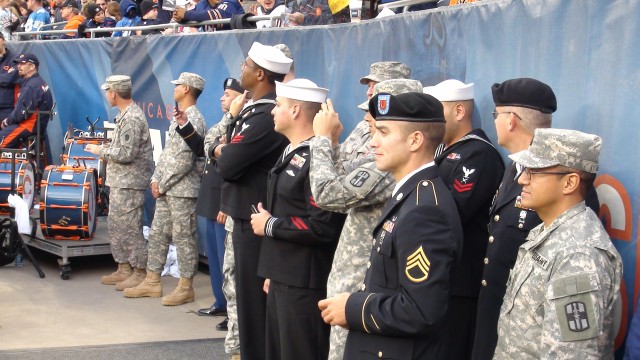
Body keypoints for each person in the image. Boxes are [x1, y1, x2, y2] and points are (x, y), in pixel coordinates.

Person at [319, 92, 463, 359]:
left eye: (383, 132)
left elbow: (421, 310)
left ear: (415, 140)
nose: (373, 142)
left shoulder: (425, 210)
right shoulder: (411, 194)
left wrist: (352, 308)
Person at [311, 78, 422, 360]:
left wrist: (321, 140)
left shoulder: (389, 165)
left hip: (362, 294)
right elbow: (342, 174)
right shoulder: (380, 156)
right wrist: (332, 144)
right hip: (352, 292)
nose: (367, 122)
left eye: (377, 119)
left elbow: (328, 194)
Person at [494, 128, 622, 358]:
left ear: (569, 183)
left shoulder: (579, 255)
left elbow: (571, 354)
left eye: (534, 171)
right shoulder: (548, 230)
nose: (522, 179)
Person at [248, 79, 344, 360]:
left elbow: (321, 225)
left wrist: (270, 226)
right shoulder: (292, 151)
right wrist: (272, 272)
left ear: (295, 111)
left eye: (278, 105)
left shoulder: (317, 157)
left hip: (303, 281)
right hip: (283, 275)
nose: (272, 111)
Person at [212, 41, 291, 360]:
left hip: (254, 219)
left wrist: (221, 148)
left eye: (246, 65)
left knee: (253, 307)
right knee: (247, 305)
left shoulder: (263, 116)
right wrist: (224, 146)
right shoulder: (254, 111)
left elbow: (228, 164)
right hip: (246, 218)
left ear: (260, 74)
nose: (240, 69)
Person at [472, 77, 556, 360]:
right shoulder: (514, 166)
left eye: (496, 115)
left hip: (527, 330)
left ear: (510, 121)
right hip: (497, 315)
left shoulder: (554, 177)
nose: (493, 121)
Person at [422, 79, 504, 359]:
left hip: (460, 284)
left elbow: (452, 212)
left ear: (459, 112)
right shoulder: (441, 152)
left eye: (437, 110)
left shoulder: (477, 153)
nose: (430, 119)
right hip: (439, 278)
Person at [123, 72, 206, 306]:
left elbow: (184, 160)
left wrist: (162, 183)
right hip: (168, 188)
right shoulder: (180, 116)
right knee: (158, 233)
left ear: (187, 89)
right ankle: (152, 281)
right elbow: (168, 153)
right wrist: (156, 178)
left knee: (183, 238)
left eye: (178, 85)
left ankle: (185, 287)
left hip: (182, 190)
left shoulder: (194, 119)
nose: (175, 88)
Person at [175, 78, 245, 332]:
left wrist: (227, 203)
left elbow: (234, 169)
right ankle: (220, 302)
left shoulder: (242, 125)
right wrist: (185, 127)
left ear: (241, 98)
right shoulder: (223, 122)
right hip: (210, 196)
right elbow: (204, 149)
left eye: (228, 94)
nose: (222, 98)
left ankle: (231, 309)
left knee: (228, 261)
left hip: (223, 201)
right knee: (215, 259)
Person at [86, 75, 154, 290]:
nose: (107, 95)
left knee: (130, 228)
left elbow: (126, 153)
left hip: (130, 182)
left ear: (114, 93)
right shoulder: (124, 115)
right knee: (117, 226)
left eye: (107, 91)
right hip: (121, 181)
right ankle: (124, 267)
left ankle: (140, 270)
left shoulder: (132, 118)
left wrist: (101, 150)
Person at [0, 53, 52, 149]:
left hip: (28, 126)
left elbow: (20, 114)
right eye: (18, 64)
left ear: (32, 67)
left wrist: (7, 121)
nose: (18, 66)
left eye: (22, 64)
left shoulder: (31, 86)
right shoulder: (36, 82)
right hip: (34, 126)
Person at [172, 0, 244, 32]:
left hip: (236, 47)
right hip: (214, 48)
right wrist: (180, 17)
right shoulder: (202, 4)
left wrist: (185, 14)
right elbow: (192, 17)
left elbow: (216, 16)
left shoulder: (231, 1)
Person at [0, 33, 18, 121]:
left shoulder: (14, 59)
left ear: (3, 41)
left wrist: (8, 76)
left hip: (7, 107)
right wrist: (5, 75)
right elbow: (6, 78)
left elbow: (10, 79)